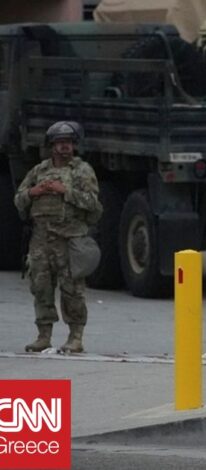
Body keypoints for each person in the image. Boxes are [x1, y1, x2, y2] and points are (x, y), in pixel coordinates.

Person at [14, 121, 102, 354]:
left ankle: (75, 337)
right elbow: (19, 199)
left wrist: (65, 192)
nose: (65, 147)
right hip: (41, 240)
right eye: (60, 143)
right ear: (52, 146)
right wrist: (34, 192)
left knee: (72, 290)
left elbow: (93, 204)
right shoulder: (39, 171)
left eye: (68, 143)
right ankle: (43, 336)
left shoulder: (82, 171)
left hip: (69, 239)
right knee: (41, 288)